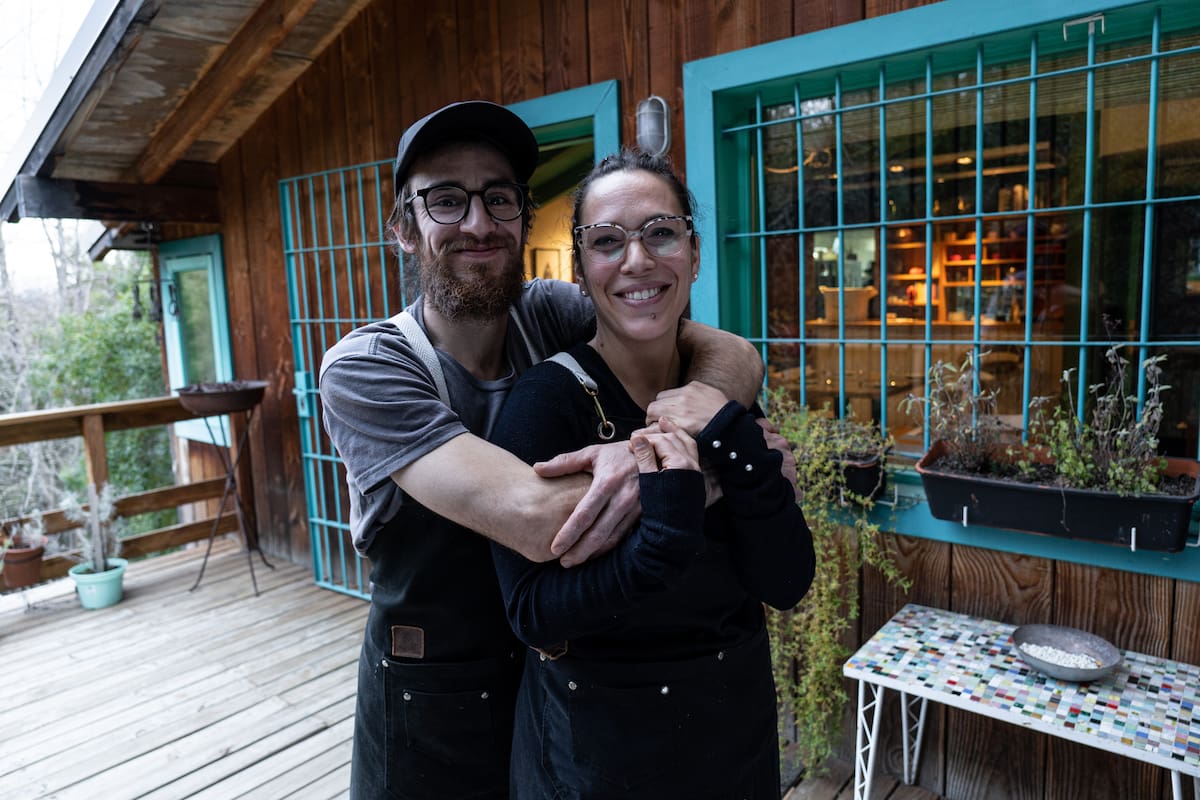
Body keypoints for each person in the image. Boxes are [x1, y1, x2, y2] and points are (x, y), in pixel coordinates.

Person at [317, 102, 767, 800]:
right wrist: (727, 463)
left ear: (524, 221)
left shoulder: (550, 313)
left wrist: (691, 420)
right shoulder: (367, 368)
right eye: (445, 201)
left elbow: (725, 348)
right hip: (428, 697)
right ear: (404, 229)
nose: (477, 222)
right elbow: (534, 516)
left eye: (499, 198)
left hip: (547, 681)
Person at [489, 149, 816, 799]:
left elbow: (785, 581)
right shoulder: (546, 403)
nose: (638, 261)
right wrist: (657, 542)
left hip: (733, 733)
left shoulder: (723, 399)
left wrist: (726, 432)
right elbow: (530, 613)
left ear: (694, 254)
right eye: (607, 242)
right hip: (599, 751)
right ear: (580, 272)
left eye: (661, 233)